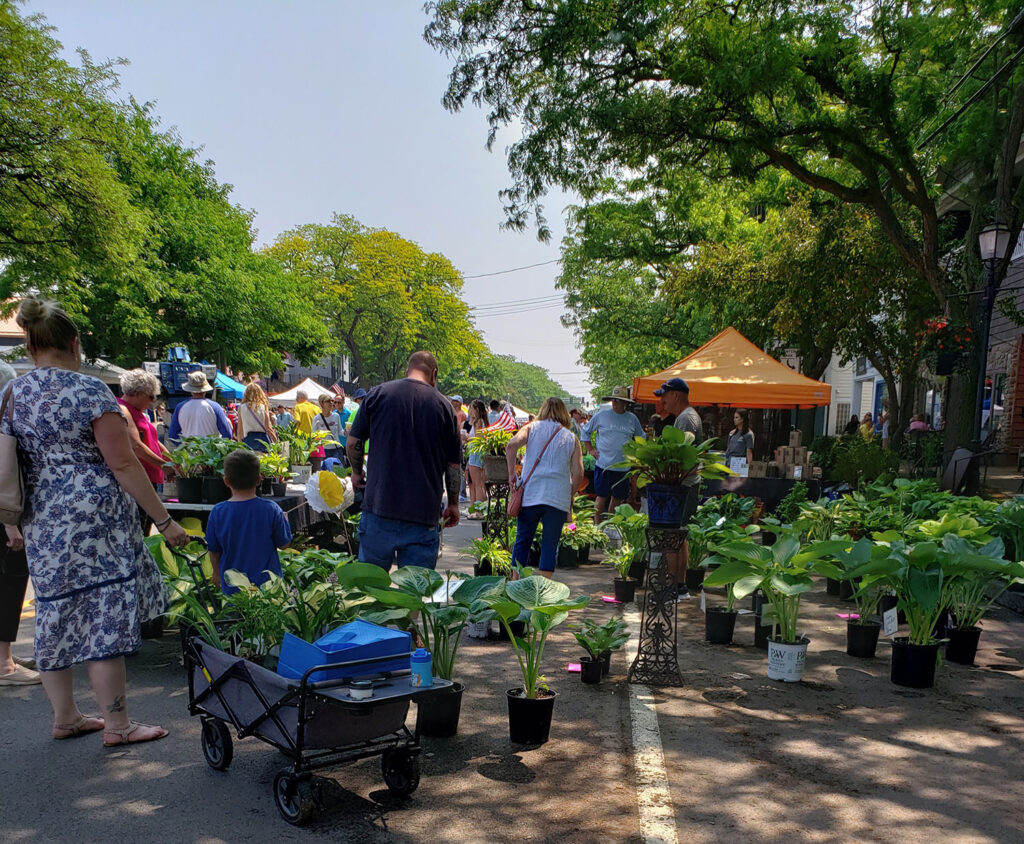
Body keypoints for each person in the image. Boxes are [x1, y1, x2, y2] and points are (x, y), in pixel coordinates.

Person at [1, 297, 188, 745]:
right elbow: (123, 465)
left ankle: (65, 717)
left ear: (30, 345)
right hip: (95, 519)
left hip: (41, 519)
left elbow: (8, 464)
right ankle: (118, 724)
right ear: (74, 341)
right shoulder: (90, 392)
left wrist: (11, 520)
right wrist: (165, 522)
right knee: (103, 616)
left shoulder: (13, 393)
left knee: (55, 611)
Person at [346, 352, 462, 570]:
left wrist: (357, 472)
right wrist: (454, 504)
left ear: (407, 370)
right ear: (433, 374)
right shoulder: (445, 407)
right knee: (414, 594)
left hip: (379, 507)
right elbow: (453, 466)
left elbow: (353, 443)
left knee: (371, 591)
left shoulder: (377, 394)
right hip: (423, 513)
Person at [506, 397, 584, 578]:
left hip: (531, 495)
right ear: (564, 413)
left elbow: (511, 446)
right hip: (557, 498)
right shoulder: (571, 438)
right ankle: (543, 589)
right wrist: (569, 492)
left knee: (523, 540)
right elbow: (578, 473)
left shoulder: (531, 428)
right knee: (550, 544)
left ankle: (515, 583)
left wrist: (511, 474)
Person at [0, 361, 39, 687]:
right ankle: (4, 664)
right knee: (10, 585)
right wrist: (10, 525)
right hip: (4, 518)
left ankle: (6, 656)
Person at [206, 450, 292, 594]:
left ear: (226, 480)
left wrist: (216, 574)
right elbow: (284, 544)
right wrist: (285, 522)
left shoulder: (218, 512)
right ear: (259, 479)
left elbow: (214, 551)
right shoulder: (271, 509)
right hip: (269, 590)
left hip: (234, 590)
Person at [654, 378, 704, 599]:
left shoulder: (685, 420)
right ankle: (679, 587)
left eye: (664, 395)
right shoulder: (686, 417)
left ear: (675, 395)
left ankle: (672, 588)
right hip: (687, 485)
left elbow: (681, 456)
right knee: (680, 534)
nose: (662, 400)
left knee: (673, 534)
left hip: (682, 486)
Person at [117, 369, 173, 527]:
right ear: (137, 393)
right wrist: (165, 466)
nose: (153, 401)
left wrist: (171, 459)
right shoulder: (123, 409)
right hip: (139, 480)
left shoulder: (137, 411)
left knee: (147, 525)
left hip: (148, 477)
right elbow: (136, 446)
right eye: (151, 396)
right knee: (141, 527)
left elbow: (152, 439)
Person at [580, 386, 646, 522]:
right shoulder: (601, 415)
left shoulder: (632, 419)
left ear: (625, 403)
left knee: (618, 499)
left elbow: (641, 437)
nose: (615, 403)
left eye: (618, 400)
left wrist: (636, 455)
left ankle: (610, 526)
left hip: (623, 467)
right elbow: (585, 432)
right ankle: (597, 526)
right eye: (613, 400)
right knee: (601, 497)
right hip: (604, 465)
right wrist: (591, 450)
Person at [167, 371, 233, 444]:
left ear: (190, 390)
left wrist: (183, 447)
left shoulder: (180, 407)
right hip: (212, 452)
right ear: (205, 390)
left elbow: (172, 436)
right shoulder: (215, 407)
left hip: (189, 452)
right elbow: (227, 434)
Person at [235, 383, 278, 452]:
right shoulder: (263, 406)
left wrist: (239, 444)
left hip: (248, 441)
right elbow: (268, 428)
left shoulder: (241, 407)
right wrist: (277, 442)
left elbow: (240, 430)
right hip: (263, 441)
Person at [465, 399, 489, 515]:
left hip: (476, 455)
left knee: (478, 484)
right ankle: (479, 510)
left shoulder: (478, 422)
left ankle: (479, 511)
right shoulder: (481, 421)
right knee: (479, 484)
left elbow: (478, 439)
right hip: (478, 454)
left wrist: (466, 437)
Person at [313, 394, 342, 459]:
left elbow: (340, 431)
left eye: (332, 401)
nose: (331, 403)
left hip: (336, 448)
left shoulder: (336, 416)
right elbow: (314, 435)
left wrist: (346, 431)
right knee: (325, 469)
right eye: (328, 401)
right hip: (324, 450)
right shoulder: (316, 418)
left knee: (337, 468)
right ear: (322, 403)